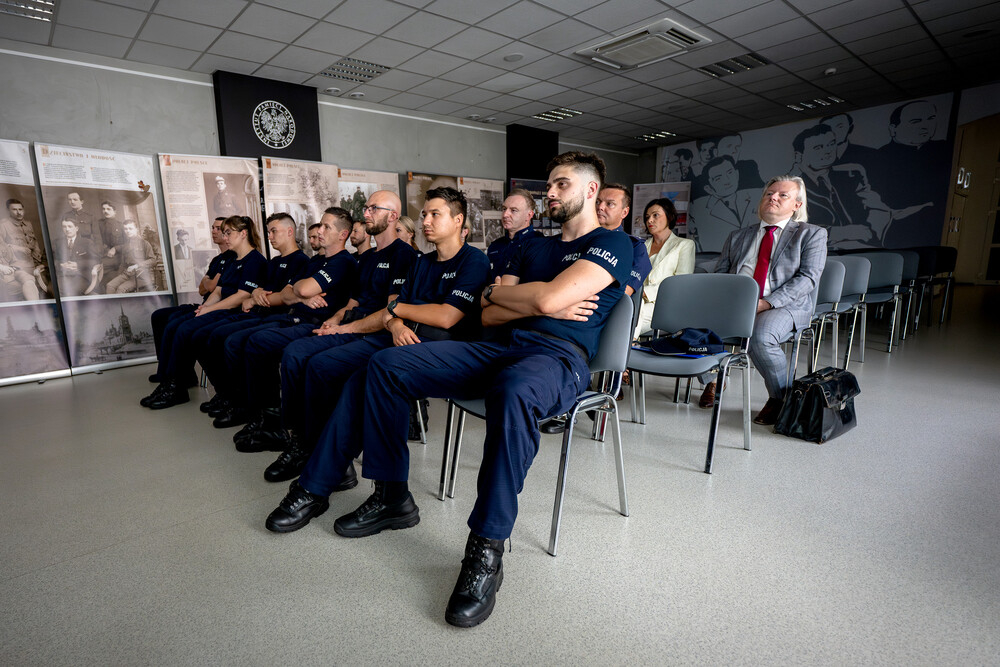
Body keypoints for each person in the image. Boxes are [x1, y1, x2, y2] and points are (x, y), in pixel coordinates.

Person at [328, 151, 631, 628]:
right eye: (550, 184)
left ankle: (486, 548)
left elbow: (545, 297)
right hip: (498, 347)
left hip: (557, 359)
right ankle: (391, 496)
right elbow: (489, 312)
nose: (551, 193)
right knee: (386, 364)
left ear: (591, 190)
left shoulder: (613, 243)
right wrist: (529, 300)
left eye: (562, 184)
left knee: (513, 391)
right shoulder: (533, 249)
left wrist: (527, 299)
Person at [261, 187, 488, 496]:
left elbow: (446, 317)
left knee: (369, 375)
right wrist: (394, 322)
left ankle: (366, 486)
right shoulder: (422, 263)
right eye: (424, 214)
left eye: (435, 214)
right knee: (322, 365)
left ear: (458, 220)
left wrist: (396, 313)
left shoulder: (473, 261)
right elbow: (392, 311)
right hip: (400, 336)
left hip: (440, 348)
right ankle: (318, 457)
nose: (425, 221)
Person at [240, 191, 416, 460]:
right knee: (295, 353)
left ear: (393, 216)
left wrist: (346, 328)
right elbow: (353, 302)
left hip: (375, 333)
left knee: (312, 361)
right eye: (366, 208)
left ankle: (311, 445)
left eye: (374, 209)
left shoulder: (404, 255)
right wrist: (333, 320)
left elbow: (391, 311)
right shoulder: (367, 257)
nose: (366, 213)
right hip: (351, 325)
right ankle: (296, 435)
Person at [698, 176, 827, 424]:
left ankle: (780, 398)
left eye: (782, 195)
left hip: (784, 305)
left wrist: (766, 303)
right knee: (697, 326)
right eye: (769, 193)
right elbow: (721, 274)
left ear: (797, 205)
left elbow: (808, 278)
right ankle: (714, 380)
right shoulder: (738, 236)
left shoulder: (811, 234)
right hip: (738, 302)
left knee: (760, 336)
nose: (773, 197)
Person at [229, 208, 358, 449]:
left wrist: (299, 291)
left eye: (327, 227)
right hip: (295, 317)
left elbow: (301, 289)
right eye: (320, 225)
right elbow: (287, 294)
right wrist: (300, 294)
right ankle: (265, 418)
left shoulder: (344, 262)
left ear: (343, 235)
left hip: (316, 324)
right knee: (243, 340)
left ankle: (279, 427)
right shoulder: (316, 261)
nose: (320, 230)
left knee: (260, 342)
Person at [195, 213, 311, 427]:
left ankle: (246, 407)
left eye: (273, 231)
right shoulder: (273, 262)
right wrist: (257, 294)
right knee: (214, 336)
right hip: (261, 313)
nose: (269, 236)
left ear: (289, 232)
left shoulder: (302, 261)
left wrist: (259, 297)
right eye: (268, 232)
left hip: (280, 318)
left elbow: (287, 297)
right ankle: (234, 399)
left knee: (233, 340)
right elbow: (258, 290)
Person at [141, 215, 266, 410]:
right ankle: (172, 383)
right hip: (220, 308)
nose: (225, 237)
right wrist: (205, 307)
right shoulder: (233, 260)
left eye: (228, 233)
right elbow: (217, 291)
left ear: (243, 234)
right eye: (224, 233)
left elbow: (241, 296)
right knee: (178, 326)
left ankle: (185, 389)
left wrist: (210, 309)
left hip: (234, 312)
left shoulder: (255, 260)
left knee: (188, 331)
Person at [148, 218, 233, 383]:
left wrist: (208, 281)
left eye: (218, 228)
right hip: (205, 303)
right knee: (159, 316)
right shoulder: (216, 260)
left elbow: (212, 286)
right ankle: (166, 370)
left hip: (218, 307)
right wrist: (208, 282)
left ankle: (179, 376)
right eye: (212, 227)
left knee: (176, 322)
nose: (213, 231)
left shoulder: (234, 258)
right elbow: (202, 289)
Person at [790, 123, 890, 249]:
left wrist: (871, 234)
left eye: (831, 144)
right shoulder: (790, 188)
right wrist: (838, 233)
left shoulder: (852, 174)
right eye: (818, 148)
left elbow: (876, 208)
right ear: (798, 156)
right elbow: (791, 228)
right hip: (820, 249)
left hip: (864, 245)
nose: (828, 151)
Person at [636, 198, 695, 336]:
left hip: (666, 302)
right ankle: (629, 344)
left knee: (634, 313)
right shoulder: (641, 246)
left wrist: (645, 292)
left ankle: (626, 344)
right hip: (638, 300)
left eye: (655, 215)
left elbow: (681, 283)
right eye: (647, 217)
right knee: (625, 311)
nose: (650, 220)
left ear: (669, 217)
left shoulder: (684, 245)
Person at [688, 156, 761, 252]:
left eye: (730, 173)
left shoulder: (758, 195)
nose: (727, 180)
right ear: (708, 189)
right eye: (718, 179)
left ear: (737, 174)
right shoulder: (698, 209)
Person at [486, 189, 540, 281]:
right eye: (504, 209)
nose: (505, 215)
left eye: (513, 210)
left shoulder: (539, 243)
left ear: (529, 215)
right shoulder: (495, 245)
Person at [106, 220, 157, 293]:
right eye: (126, 229)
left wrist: (137, 265)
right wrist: (119, 276)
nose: (128, 231)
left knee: (121, 289)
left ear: (136, 229)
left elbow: (153, 260)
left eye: (130, 228)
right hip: (127, 274)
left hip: (141, 276)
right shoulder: (126, 245)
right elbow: (123, 264)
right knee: (110, 285)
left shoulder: (144, 243)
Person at [54, 217, 99, 296]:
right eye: (64, 227)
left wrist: (78, 264)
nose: (67, 229)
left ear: (76, 228)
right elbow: (51, 260)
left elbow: (95, 260)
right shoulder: (57, 243)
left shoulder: (87, 242)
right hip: (63, 275)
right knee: (57, 291)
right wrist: (61, 265)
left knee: (71, 291)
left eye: (70, 226)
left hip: (82, 276)